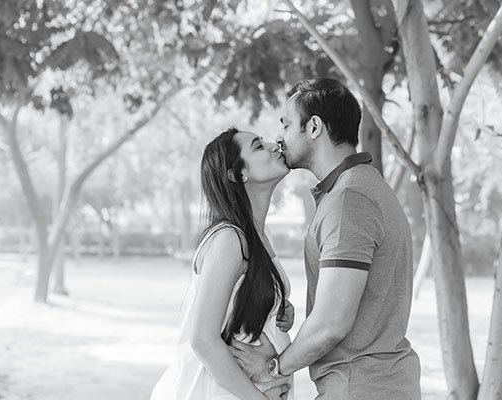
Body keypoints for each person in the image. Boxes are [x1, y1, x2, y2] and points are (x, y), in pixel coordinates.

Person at [229, 78, 421, 399]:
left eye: (287, 125)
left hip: (359, 386)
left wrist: (274, 367)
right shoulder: (359, 187)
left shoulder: (349, 200)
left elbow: (332, 322)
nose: (279, 137)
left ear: (315, 126)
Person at [150, 127, 295, 400]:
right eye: (258, 146)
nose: (274, 144)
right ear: (238, 174)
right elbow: (203, 339)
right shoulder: (229, 239)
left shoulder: (262, 237)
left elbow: (239, 310)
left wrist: (278, 309)